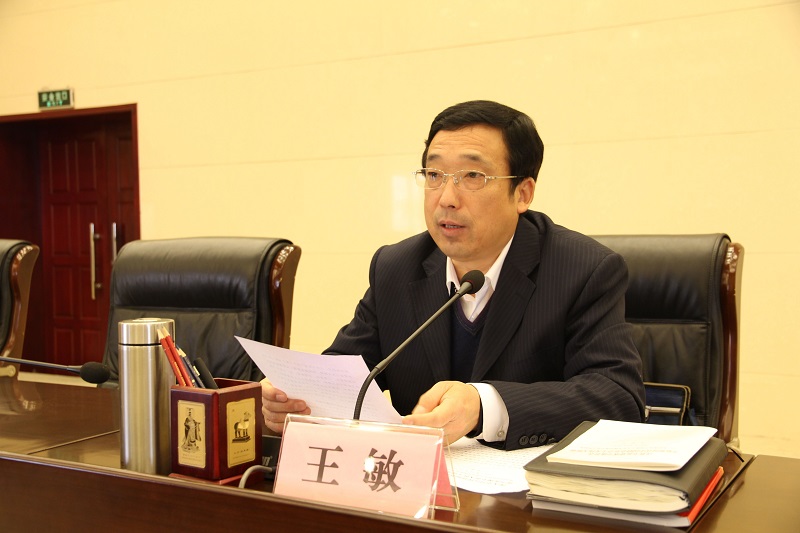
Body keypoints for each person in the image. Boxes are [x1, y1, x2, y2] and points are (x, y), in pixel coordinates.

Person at [262, 100, 645, 450]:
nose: (446, 197)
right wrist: (296, 399)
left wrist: (484, 405)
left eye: (472, 175)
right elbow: (346, 379)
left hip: (527, 494)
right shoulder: (396, 268)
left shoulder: (583, 270)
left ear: (523, 193)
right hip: (414, 487)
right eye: (434, 174)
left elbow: (618, 396)